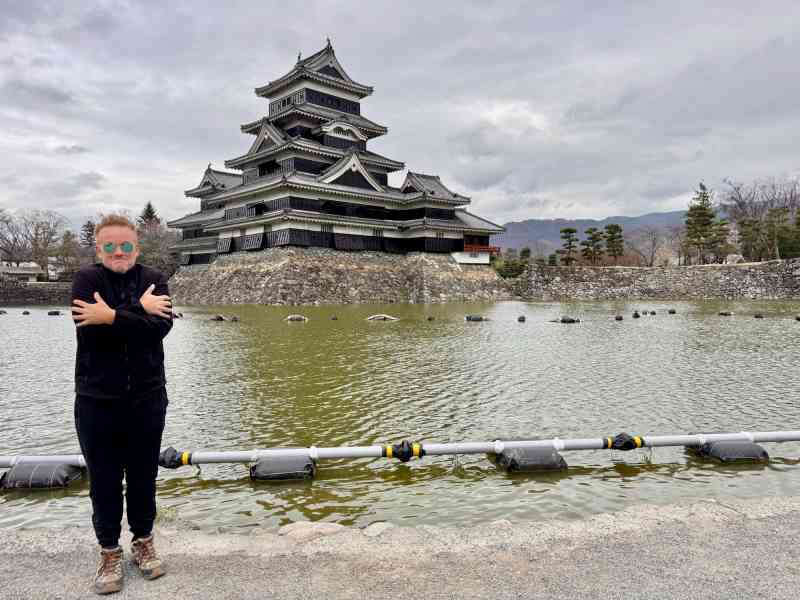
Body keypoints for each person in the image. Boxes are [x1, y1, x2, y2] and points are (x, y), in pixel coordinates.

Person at [71, 214, 173, 595]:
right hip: (97, 400)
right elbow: (91, 333)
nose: (119, 252)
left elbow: (159, 329)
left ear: (137, 248)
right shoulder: (87, 280)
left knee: (145, 475)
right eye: (110, 246)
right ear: (98, 250)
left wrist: (111, 314)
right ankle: (109, 550)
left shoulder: (155, 278)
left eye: (126, 245)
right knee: (104, 480)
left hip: (147, 397)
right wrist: (138, 310)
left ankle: (143, 541)